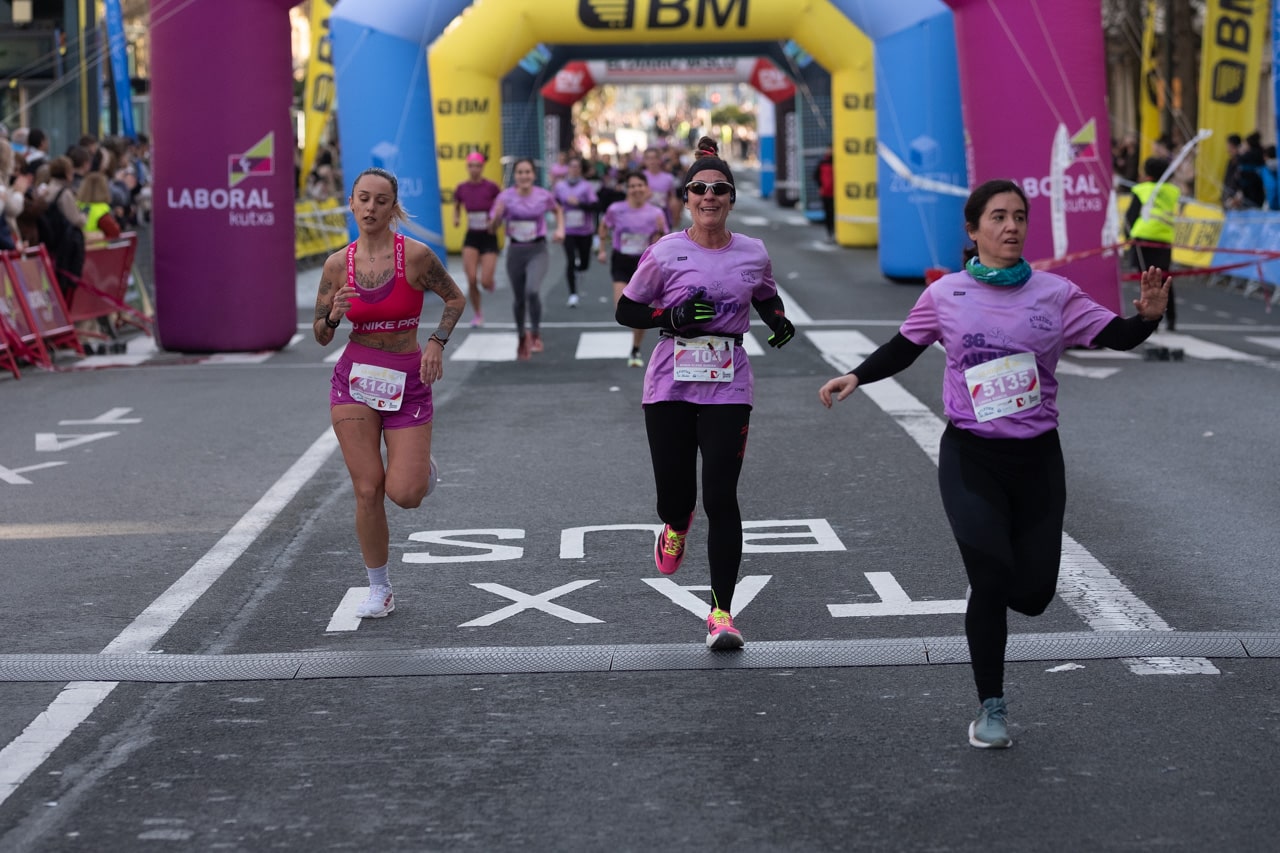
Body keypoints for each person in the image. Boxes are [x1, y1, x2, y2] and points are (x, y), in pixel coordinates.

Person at [817, 179, 1170, 748]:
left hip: (1037, 460)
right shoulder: (946, 294)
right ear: (974, 229)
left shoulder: (1055, 294)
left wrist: (1147, 319)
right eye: (999, 216)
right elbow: (905, 346)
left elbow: (1118, 335)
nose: (1011, 226)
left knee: (1032, 595)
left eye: (1019, 216)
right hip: (971, 456)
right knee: (989, 577)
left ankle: (992, 596)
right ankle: (992, 708)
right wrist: (857, 375)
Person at [615, 137, 796, 651]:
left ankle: (721, 613)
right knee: (676, 497)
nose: (709, 196)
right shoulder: (665, 251)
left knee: (721, 497)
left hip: (729, 383)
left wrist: (778, 321)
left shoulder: (752, 252)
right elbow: (627, 311)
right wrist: (670, 315)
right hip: (669, 385)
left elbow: (765, 295)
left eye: (719, 189)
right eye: (699, 188)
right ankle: (676, 522)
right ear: (686, 198)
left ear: (731, 198)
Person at [314, 166, 466, 619]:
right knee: (367, 489)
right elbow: (320, 334)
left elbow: (454, 298)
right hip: (355, 381)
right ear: (351, 203)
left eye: (381, 201)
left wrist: (436, 342)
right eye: (363, 199)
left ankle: (419, 468)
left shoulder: (416, 256)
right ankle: (379, 587)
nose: (370, 208)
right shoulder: (337, 265)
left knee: (405, 493)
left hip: (407, 379)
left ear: (392, 207)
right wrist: (334, 315)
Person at [488, 157, 564, 359]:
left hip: (537, 250)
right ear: (515, 175)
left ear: (534, 175)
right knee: (519, 298)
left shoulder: (543, 195)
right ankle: (522, 335)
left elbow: (557, 210)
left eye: (527, 172)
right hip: (515, 251)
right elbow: (491, 228)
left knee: (532, 290)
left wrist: (561, 230)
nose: (524, 176)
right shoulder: (505, 197)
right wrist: (497, 217)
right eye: (520, 172)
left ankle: (535, 333)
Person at [598, 170, 667, 367]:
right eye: (632, 186)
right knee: (621, 307)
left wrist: (660, 232)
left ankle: (636, 348)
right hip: (622, 261)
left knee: (638, 310)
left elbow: (663, 240)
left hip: (644, 265)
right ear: (626, 189)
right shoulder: (616, 209)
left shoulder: (656, 213)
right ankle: (635, 345)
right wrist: (601, 249)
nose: (636, 189)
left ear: (646, 188)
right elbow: (604, 226)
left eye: (640, 185)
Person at [1124, 156, 1178, 331]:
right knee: (1164, 279)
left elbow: (1131, 215)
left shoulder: (1141, 189)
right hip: (1164, 239)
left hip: (1143, 238)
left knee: (1147, 281)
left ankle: (1151, 319)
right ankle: (1171, 319)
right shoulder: (1172, 191)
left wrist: (1127, 236)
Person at [452, 151, 501, 326]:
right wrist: (456, 217)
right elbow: (457, 204)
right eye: (471, 166)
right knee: (471, 278)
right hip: (472, 235)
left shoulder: (491, 187)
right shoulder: (462, 188)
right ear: (467, 167)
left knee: (485, 282)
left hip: (489, 235)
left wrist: (495, 219)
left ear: (482, 167)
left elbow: (501, 204)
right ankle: (478, 314)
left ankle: (489, 282)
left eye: (478, 166)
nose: (474, 169)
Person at [553, 156, 598, 308]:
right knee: (570, 261)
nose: (574, 169)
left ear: (580, 169)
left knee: (585, 263)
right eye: (572, 166)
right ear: (567, 168)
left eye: (577, 167)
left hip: (585, 231)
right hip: (568, 230)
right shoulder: (560, 186)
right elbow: (554, 204)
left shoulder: (586, 186)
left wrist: (579, 203)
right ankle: (572, 294)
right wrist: (559, 211)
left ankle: (580, 269)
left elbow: (595, 206)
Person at [77, 172, 122, 239]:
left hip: (78, 244)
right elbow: (115, 232)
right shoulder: (100, 210)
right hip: (97, 244)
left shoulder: (77, 205)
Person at [814, 147, 835, 240]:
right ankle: (830, 233)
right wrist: (821, 186)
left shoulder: (839, 162)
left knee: (834, 213)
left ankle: (834, 232)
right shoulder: (822, 162)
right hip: (826, 192)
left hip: (836, 194)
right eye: (829, 149)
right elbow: (816, 176)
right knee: (828, 213)